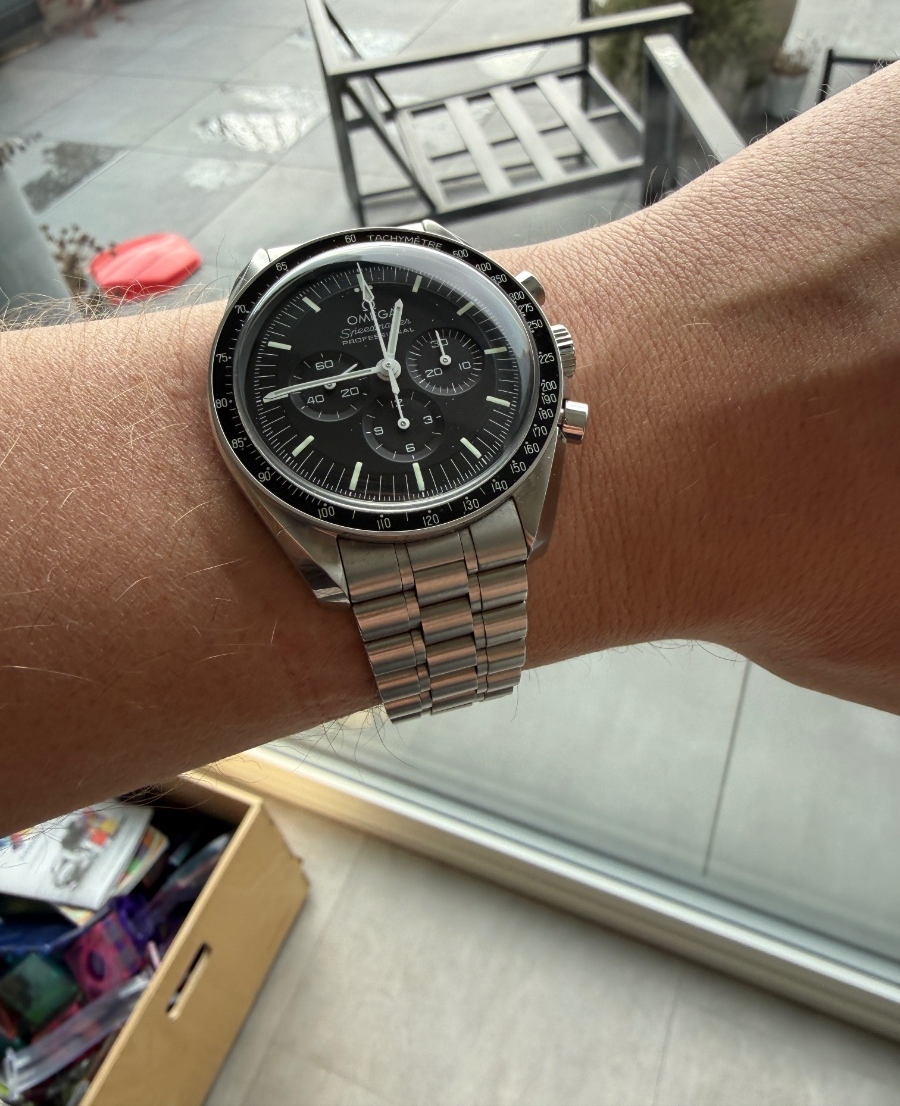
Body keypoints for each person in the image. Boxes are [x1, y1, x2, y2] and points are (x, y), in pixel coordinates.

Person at [2, 62, 898, 836]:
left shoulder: (513, 371)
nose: (393, 368)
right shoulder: (288, 430)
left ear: (552, 359)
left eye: (399, 354)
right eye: (371, 366)